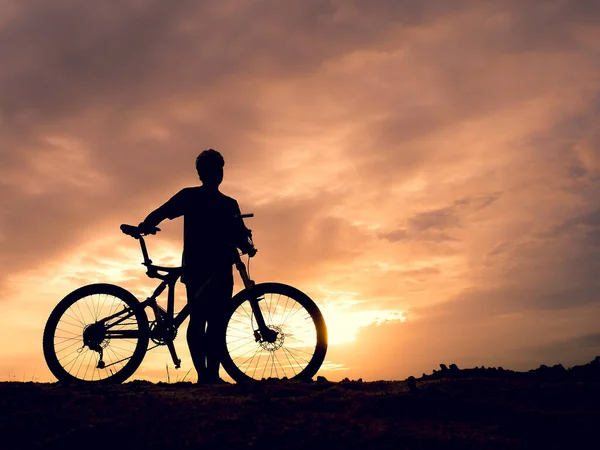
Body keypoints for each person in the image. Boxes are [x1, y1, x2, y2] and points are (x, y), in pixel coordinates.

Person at [138, 149, 256, 384]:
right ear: (202, 173)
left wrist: (247, 243)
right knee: (201, 318)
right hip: (199, 267)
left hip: (219, 267)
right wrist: (146, 224)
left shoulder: (228, 203)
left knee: (215, 322)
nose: (217, 173)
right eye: (212, 168)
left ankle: (211, 375)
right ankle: (206, 375)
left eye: (219, 168)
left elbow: (239, 231)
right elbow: (163, 212)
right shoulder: (192, 197)